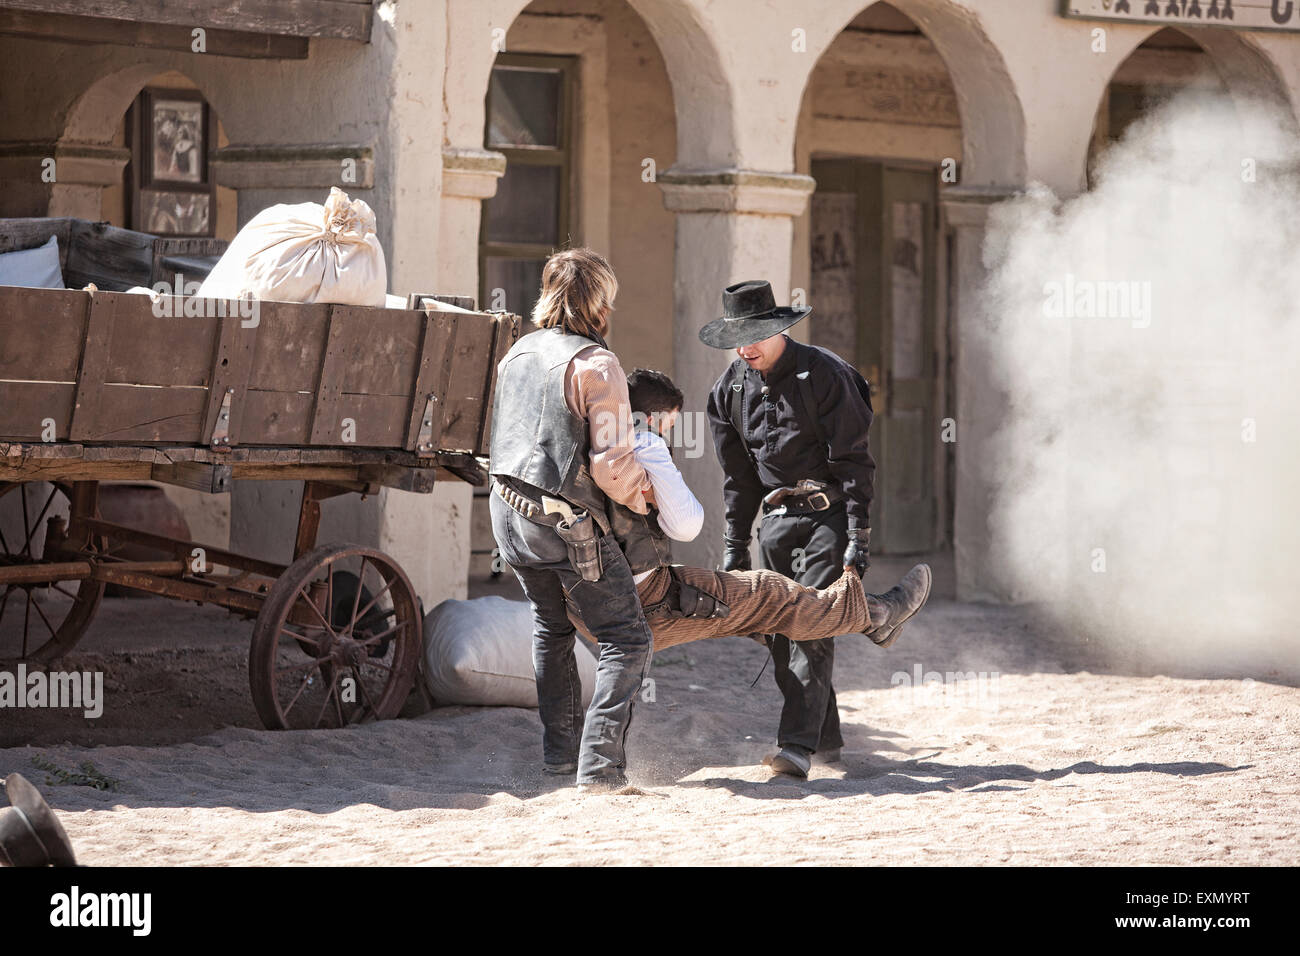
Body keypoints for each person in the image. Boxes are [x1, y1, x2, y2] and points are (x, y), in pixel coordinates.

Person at [570, 367, 931, 663]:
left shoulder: (584, 441)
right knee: (770, 591)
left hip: (585, 598)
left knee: (749, 597)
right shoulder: (646, 442)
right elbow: (686, 526)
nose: (670, 434)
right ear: (653, 418)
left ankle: (777, 622)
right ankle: (877, 615)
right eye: (670, 425)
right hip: (642, 600)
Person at [703, 279, 905, 779]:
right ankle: (829, 736)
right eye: (738, 338)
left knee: (810, 623)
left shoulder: (828, 375)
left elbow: (856, 464)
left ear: (779, 327)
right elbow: (739, 479)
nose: (747, 347)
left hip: (827, 514)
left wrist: (859, 536)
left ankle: (795, 746)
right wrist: (734, 548)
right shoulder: (727, 391)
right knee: (775, 631)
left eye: (756, 335)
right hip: (773, 523)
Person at [487, 248, 655, 792]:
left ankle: (560, 760)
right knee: (626, 638)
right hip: (567, 524)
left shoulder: (516, 352)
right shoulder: (598, 366)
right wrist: (646, 494)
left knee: (551, 628)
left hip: (508, 516)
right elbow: (611, 465)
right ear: (600, 304)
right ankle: (601, 770)